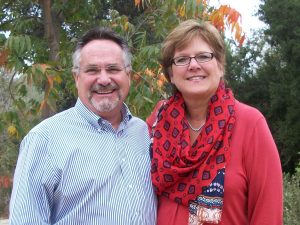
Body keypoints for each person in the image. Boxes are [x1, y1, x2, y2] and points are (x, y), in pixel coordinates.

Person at [9, 27, 157, 225]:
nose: (104, 80)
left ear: (128, 75)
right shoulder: (44, 139)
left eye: (113, 69)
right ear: (76, 77)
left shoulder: (144, 133)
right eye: (92, 70)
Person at [147, 19, 283, 225]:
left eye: (203, 56)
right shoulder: (157, 122)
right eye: (182, 59)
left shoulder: (250, 123)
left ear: (220, 66)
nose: (193, 65)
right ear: (171, 75)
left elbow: (268, 213)